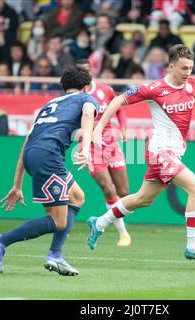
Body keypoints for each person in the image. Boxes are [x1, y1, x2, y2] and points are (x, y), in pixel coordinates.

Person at [86, 44, 195, 260]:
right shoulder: (154, 88)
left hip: (174, 153)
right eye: (183, 68)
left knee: (142, 199)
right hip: (159, 152)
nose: (187, 72)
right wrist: (98, 127)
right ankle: (192, 247)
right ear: (171, 66)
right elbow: (118, 100)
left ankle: (99, 222)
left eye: (190, 68)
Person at [0, 66, 100, 276]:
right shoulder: (86, 99)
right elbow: (87, 115)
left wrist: (17, 184)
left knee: (77, 197)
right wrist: (85, 148)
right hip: (49, 156)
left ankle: (55, 255)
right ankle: (0, 241)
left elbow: (27, 143)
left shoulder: (49, 105)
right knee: (58, 220)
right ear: (86, 87)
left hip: (34, 154)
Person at [75, 58, 131, 246]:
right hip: (90, 148)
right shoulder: (76, 97)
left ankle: (99, 223)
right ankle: (124, 234)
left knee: (124, 192)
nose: (85, 74)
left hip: (110, 145)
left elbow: (119, 109)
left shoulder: (105, 90)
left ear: (92, 71)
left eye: (87, 70)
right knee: (108, 189)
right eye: (81, 71)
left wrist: (123, 128)